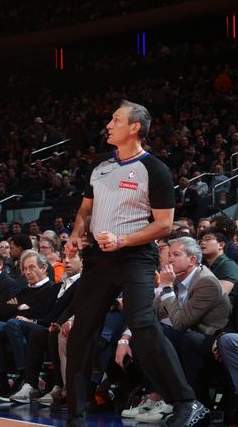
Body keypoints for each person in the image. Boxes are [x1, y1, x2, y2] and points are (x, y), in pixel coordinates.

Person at [64, 101, 208, 427]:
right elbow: (86, 210)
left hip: (135, 256)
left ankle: (186, 401)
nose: (108, 124)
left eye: (116, 119)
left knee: (142, 324)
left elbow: (164, 225)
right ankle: (75, 415)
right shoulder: (100, 165)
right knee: (81, 332)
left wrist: (122, 240)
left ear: (134, 128)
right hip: (99, 260)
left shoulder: (154, 169)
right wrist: (76, 234)